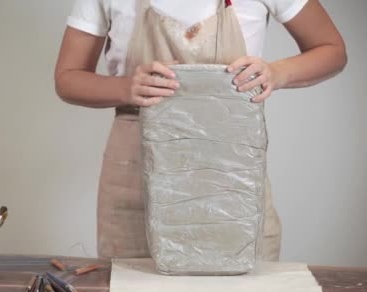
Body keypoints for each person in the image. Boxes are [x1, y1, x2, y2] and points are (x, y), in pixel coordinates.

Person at [54, 0, 346, 260]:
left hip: (232, 178)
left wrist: (277, 73)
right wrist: (124, 87)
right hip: (136, 179)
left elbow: (332, 50)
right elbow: (67, 78)